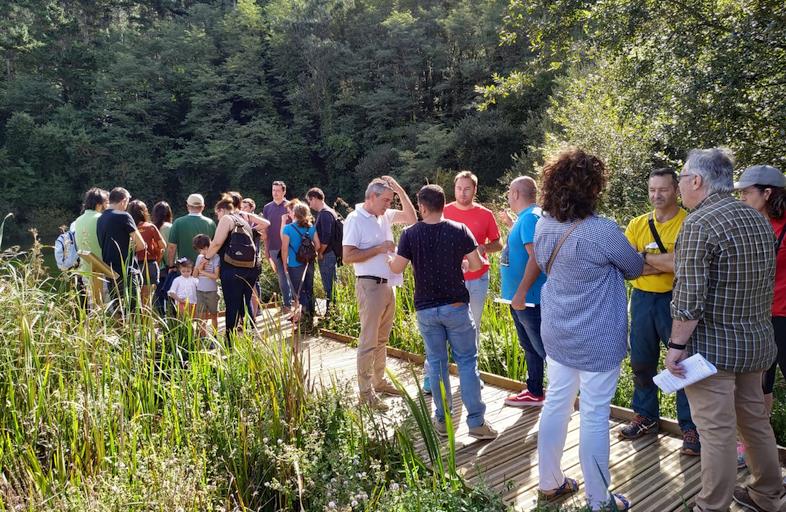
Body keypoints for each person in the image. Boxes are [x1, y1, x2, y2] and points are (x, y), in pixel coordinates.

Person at [666, 149, 783, 512]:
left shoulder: (699, 224)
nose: (680, 186)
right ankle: (768, 495)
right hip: (758, 342)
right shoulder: (756, 218)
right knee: (755, 423)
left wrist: (675, 345)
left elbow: (689, 296)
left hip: (713, 350)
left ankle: (710, 506)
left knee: (715, 431)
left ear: (697, 181)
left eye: (682, 179)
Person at [533, 149, 642, 511]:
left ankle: (549, 483)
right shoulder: (602, 230)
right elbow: (633, 267)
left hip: (558, 332)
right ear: (593, 187)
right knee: (594, 414)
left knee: (556, 404)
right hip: (597, 338)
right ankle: (599, 501)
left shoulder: (543, 224)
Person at [388, 184, 498, 440]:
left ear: (422, 207)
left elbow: (397, 268)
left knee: (437, 364)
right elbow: (474, 264)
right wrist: (458, 263)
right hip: (456, 306)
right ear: (443, 203)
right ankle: (476, 422)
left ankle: (442, 420)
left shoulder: (409, 234)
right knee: (467, 363)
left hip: (426, 309)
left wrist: (388, 258)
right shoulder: (460, 230)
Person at [618, 168, 699, 455]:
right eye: (652, 190)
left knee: (682, 364)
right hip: (641, 299)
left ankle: (690, 427)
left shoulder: (688, 223)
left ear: (676, 189)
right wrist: (664, 262)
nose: (656, 195)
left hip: (676, 300)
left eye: (662, 189)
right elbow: (627, 266)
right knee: (641, 361)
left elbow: (684, 265)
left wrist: (647, 259)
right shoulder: (638, 224)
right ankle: (646, 416)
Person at [343, 176, 417, 411]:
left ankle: (380, 381)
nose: (388, 204)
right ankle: (365, 393)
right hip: (368, 284)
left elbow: (412, 218)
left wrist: (400, 191)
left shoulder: (384, 215)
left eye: (390, 200)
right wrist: (379, 249)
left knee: (382, 339)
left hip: (388, 284)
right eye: (385, 200)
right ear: (372, 197)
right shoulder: (355, 219)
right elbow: (348, 257)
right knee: (368, 340)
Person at [736, 164, 786, 417]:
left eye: (746, 192)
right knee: (758, 385)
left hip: (783, 316)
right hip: (758, 316)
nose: (742, 198)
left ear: (767, 193)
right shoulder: (750, 225)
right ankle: (756, 444)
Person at [499, 176, 548, 407]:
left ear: (516, 194)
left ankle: (560, 398)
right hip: (523, 299)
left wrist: (521, 292)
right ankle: (534, 390)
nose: (509, 197)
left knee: (541, 348)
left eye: (510, 192)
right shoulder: (529, 217)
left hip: (529, 300)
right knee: (530, 347)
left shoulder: (529, 218)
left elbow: (536, 256)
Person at [443, 171, 502, 333]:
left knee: (473, 324)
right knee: (448, 325)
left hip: (478, 278)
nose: (462, 192)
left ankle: (471, 359)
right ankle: (448, 358)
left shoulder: (486, 214)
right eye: (459, 188)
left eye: (467, 188)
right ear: (454, 189)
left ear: (475, 190)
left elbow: (499, 244)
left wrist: (484, 247)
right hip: (450, 278)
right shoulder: (443, 212)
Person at [204, 194, 261, 341]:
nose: (217, 216)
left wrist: (205, 258)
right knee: (245, 302)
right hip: (250, 268)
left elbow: (216, 243)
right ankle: (252, 336)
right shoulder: (243, 220)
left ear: (222, 210)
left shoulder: (227, 219)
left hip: (232, 268)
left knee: (232, 304)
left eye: (217, 213)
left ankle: (230, 341)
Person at [96, 187, 147, 310]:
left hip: (110, 271)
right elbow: (141, 245)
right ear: (123, 201)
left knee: (118, 310)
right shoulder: (124, 216)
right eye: (128, 202)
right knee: (135, 312)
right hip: (127, 271)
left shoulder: (100, 218)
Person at [281, 200, 321, 324]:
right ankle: (310, 316)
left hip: (294, 264)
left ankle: (303, 318)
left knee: (299, 291)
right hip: (309, 263)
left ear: (295, 213)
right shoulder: (311, 228)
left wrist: (284, 264)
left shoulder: (288, 228)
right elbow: (318, 245)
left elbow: (284, 248)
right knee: (309, 289)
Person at [306, 187, 341, 314]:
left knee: (329, 285)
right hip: (329, 253)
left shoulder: (325, 214)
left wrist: (320, 252)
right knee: (331, 284)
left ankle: (331, 313)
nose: (310, 205)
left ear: (314, 198)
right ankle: (332, 312)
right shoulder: (329, 212)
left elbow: (326, 237)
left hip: (327, 254)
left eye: (310, 201)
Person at [73, 187, 109, 307]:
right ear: (99, 205)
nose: (107, 206)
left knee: (93, 310)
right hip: (104, 271)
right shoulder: (102, 219)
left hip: (86, 271)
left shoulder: (78, 220)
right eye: (106, 203)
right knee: (111, 310)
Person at [127, 199, 167, 307]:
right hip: (149, 265)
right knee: (147, 299)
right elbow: (163, 245)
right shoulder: (150, 227)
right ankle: (146, 322)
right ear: (144, 212)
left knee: (135, 298)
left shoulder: (128, 227)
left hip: (133, 265)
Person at [166, 193, 216, 273]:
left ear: (187, 206)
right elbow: (215, 246)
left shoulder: (178, 222)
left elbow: (172, 247)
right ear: (203, 207)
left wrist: (171, 266)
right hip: (205, 269)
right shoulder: (211, 223)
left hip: (184, 270)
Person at [263, 181, 293, 313]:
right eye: (273, 190)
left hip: (289, 247)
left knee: (291, 276)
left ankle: (294, 305)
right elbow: (265, 230)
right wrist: (266, 249)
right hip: (274, 247)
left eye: (278, 190)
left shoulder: (291, 206)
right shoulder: (267, 207)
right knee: (281, 277)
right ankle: (287, 304)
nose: (275, 193)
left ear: (284, 192)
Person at [193, 234, 220, 335]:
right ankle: (202, 338)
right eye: (201, 250)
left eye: (205, 248)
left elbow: (216, 276)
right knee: (201, 316)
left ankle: (215, 336)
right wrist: (199, 266)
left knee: (214, 315)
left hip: (212, 291)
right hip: (200, 291)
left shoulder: (216, 257)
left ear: (210, 246)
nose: (203, 252)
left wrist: (202, 271)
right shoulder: (199, 257)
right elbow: (194, 275)